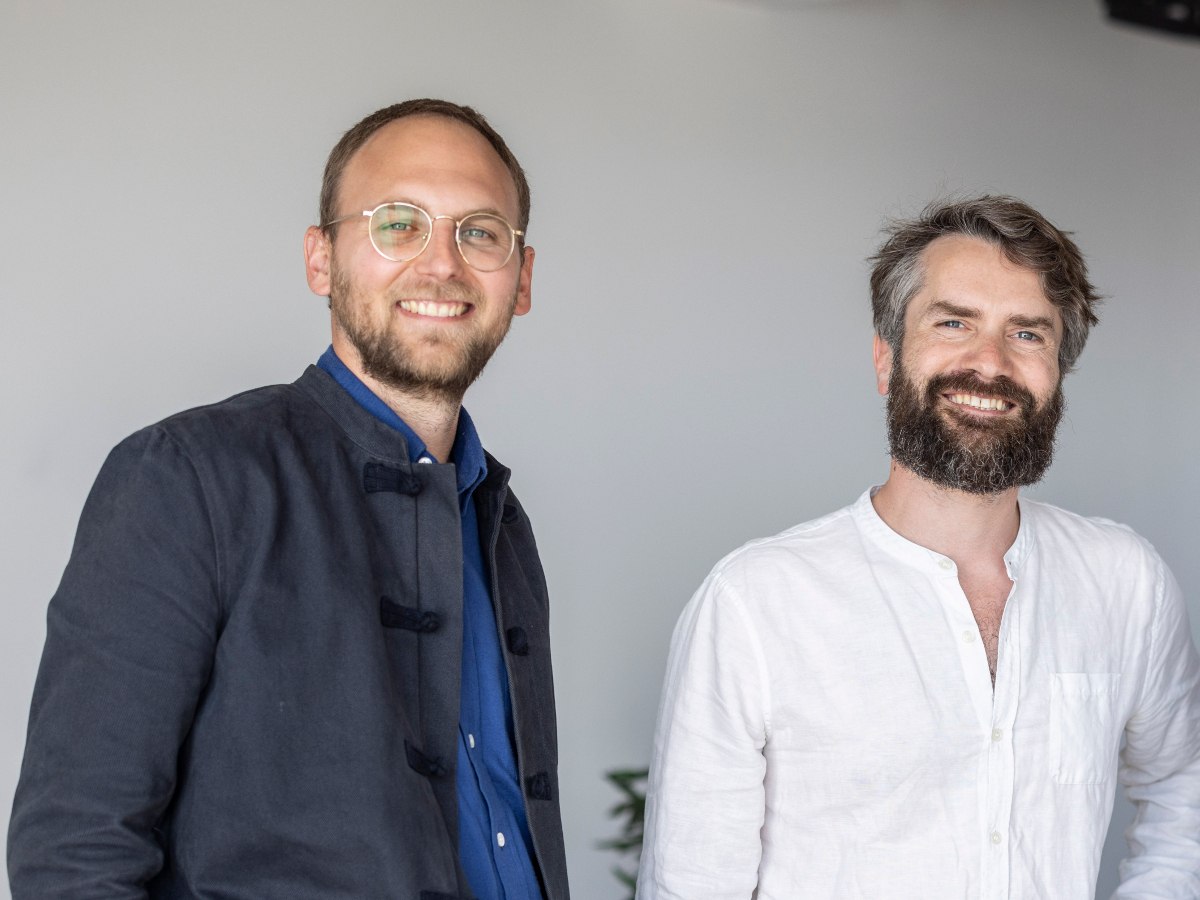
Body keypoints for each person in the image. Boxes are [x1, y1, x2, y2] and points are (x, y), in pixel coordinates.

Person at [8, 99, 569, 900]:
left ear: (520, 280)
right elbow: (73, 850)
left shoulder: (500, 521)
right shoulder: (189, 479)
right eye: (398, 223)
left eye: (479, 232)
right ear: (320, 259)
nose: (442, 264)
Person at [637, 196, 1200, 899]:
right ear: (886, 359)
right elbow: (690, 882)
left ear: (1058, 376)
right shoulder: (756, 602)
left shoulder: (1126, 584)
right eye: (954, 323)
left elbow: (1184, 794)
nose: (989, 364)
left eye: (1027, 335)